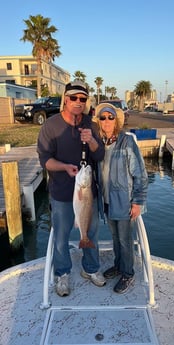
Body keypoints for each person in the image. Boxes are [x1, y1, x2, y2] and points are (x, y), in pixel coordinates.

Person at [37, 80, 106, 297]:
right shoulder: (51, 126)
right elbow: (45, 160)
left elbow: (100, 154)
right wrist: (64, 167)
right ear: (65, 99)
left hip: (87, 193)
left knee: (91, 233)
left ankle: (91, 269)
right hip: (60, 192)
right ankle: (63, 274)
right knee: (61, 236)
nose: (78, 102)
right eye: (74, 98)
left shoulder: (91, 124)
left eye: (82, 99)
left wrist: (92, 142)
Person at [93, 103, 148, 294]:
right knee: (115, 238)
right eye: (103, 117)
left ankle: (128, 273)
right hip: (106, 201)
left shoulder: (127, 141)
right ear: (99, 122)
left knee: (125, 240)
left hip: (124, 201)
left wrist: (138, 201)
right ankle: (118, 265)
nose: (106, 121)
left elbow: (140, 173)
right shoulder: (98, 143)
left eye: (110, 117)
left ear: (116, 121)